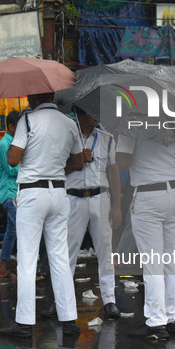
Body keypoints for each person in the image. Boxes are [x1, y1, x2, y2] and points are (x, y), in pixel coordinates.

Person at [3, 92, 83, 338]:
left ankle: (25, 323)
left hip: (32, 194)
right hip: (59, 192)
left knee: (27, 258)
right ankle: (69, 320)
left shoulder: (27, 120)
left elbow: (13, 159)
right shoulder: (69, 122)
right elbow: (78, 162)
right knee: (59, 258)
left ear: (34, 97)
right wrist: (55, 166)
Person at [41, 106, 122, 320]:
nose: (99, 117)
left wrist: (117, 205)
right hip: (73, 198)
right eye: (94, 113)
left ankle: (109, 300)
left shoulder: (106, 139)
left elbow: (113, 172)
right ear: (82, 115)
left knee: (105, 249)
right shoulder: (66, 138)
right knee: (67, 252)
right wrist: (76, 161)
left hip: (100, 197)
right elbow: (55, 168)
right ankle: (60, 301)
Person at [116, 133, 175, 340]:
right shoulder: (174, 121)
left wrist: (118, 140)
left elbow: (123, 163)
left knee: (152, 262)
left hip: (148, 195)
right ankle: (171, 316)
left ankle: (156, 321)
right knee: (170, 260)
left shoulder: (131, 125)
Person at [0, 111, 21, 279]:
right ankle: (28, 269)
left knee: (12, 232)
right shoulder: (5, 145)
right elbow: (11, 169)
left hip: (16, 192)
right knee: (24, 228)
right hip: (8, 193)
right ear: (11, 127)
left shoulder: (14, 143)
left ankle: (2, 269)